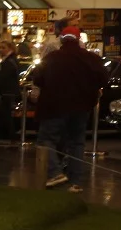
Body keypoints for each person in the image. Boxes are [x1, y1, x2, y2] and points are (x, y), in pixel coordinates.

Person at [30, 30, 107, 190]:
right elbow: (103, 79)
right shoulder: (91, 58)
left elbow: (37, 78)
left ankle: (55, 173)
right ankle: (75, 182)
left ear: (62, 40)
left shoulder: (52, 58)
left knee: (46, 140)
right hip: (82, 107)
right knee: (77, 143)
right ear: (79, 39)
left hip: (53, 106)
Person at [0, 38, 21, 145]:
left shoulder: (9, 62)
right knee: (3, 114)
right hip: (9, 92)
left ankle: (10, 137)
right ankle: (1, 135)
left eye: (3, 48)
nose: (1, 50)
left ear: (10, 48)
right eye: (0, 47)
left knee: (5, 114)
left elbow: (3, 78)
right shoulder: (11, 60)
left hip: (8, 92)